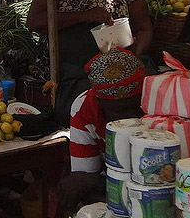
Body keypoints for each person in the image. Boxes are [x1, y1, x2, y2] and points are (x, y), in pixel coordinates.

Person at [26, 0, 153, 124]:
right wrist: (83, 16)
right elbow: (34, 22)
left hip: (120, 62)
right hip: (73, 67)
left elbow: (144, 26)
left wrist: (134, 57)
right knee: (80, 108)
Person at [58, 48, 145, 213]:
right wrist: (90, 182)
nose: (131, 118)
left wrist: (92, 181)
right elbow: (80, 183)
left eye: (136, 107)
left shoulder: (159, 109)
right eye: (120, 110)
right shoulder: (84, 108)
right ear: (99, 102)